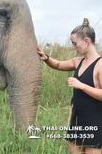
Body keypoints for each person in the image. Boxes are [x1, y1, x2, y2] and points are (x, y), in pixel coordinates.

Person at [37, 18, 102, 154]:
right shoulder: (78, 62)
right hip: (76, 118)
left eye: (74, 43)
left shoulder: (100, 65)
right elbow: (59, 64)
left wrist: (81, 86)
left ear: (86, 41)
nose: (73, 47)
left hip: (94, 120)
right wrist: (46, 58)